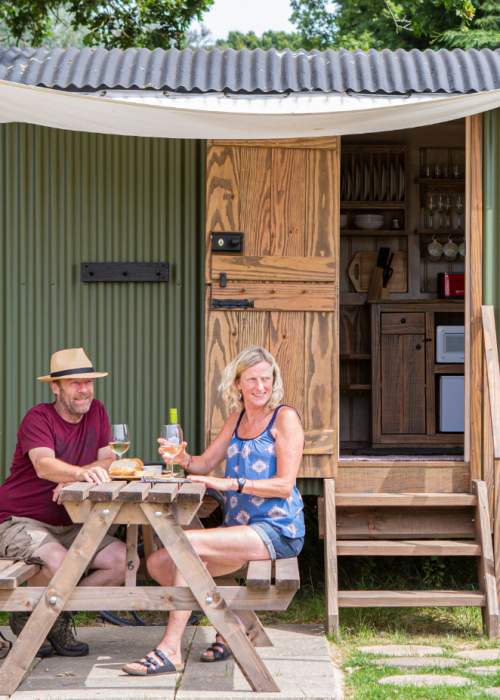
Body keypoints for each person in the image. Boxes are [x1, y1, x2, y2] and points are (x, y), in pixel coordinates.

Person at [123, 345, 305, 676]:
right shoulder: (236, 420)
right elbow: (203, 464)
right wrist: (181, 459)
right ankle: (232, 621)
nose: (260, 387)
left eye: (266, 379)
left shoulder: (285, 418)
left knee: (187, 546)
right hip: (238, 531)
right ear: (237, 383)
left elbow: (283, 485)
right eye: (252, 379)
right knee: (159, 563)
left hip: (277, 530)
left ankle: (170, 649)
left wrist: (230, 483)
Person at [0, 347, 129, 658]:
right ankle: (39, 616)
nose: (84, 390)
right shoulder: (38, 418)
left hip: (69, 523)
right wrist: (80, 473)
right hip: (19, 519)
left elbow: (108, 457)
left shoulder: (97, 411)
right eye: (74, 383)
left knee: (122, 560)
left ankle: (45, 616)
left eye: (88, 382)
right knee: (61, 563)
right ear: (54, 387)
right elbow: (44, 464)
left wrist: (76, 477)